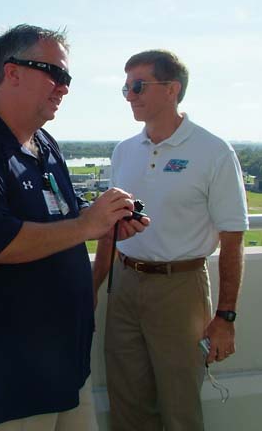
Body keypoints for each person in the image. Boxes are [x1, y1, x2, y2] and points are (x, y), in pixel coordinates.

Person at [0, 24, 149, 431]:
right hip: (3, 381)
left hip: (64, 366)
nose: (64, 87)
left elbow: (61, 217)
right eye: (55, 73)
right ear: (12, 72)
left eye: (68, 78)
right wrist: (87, 224)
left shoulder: (44, 144)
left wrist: (104, 222)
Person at [93, 50, 249, 431]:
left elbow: (233, 238)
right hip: (124, 285)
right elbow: (110, 227)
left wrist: (225, 318)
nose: (130, 96)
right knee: (127, 402)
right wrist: (92, 287)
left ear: (172, 89)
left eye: (138, 86)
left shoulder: (213, 152)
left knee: (180, 407)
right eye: (126, 88)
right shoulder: (124, 151)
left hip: (180, 288)